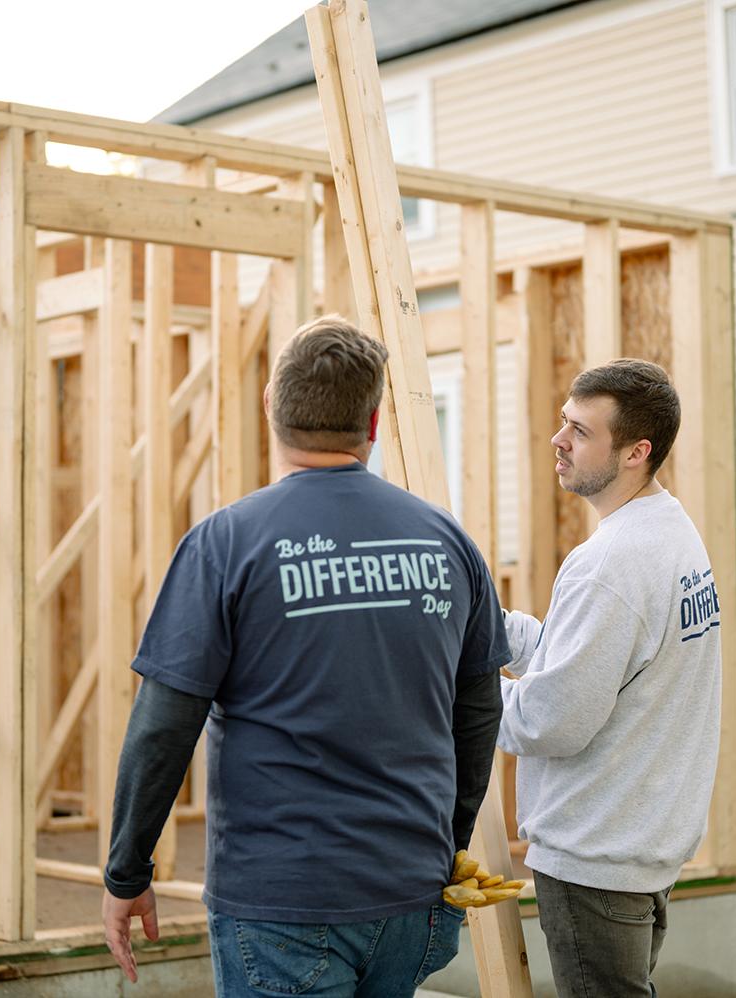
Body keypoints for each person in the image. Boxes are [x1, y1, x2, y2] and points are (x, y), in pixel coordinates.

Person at [100, 317, 510, 997]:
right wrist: (446, 846)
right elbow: (478, 712)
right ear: (373, 422)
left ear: (271, 405)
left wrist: (127, 873)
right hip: (412, 893)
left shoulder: (226, 544)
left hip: (285, 905)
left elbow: (163, 725)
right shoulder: (447, 542)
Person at [498, 360, 723, 998]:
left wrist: (455, 683)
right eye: (563, 422)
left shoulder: (610, 563)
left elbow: (550, 721)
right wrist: (490, 627)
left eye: (579, 430)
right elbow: (598, 669)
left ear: (635, 451)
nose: (557, 440)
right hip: (638, 845)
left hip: (595, 857)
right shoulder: (668, 531)